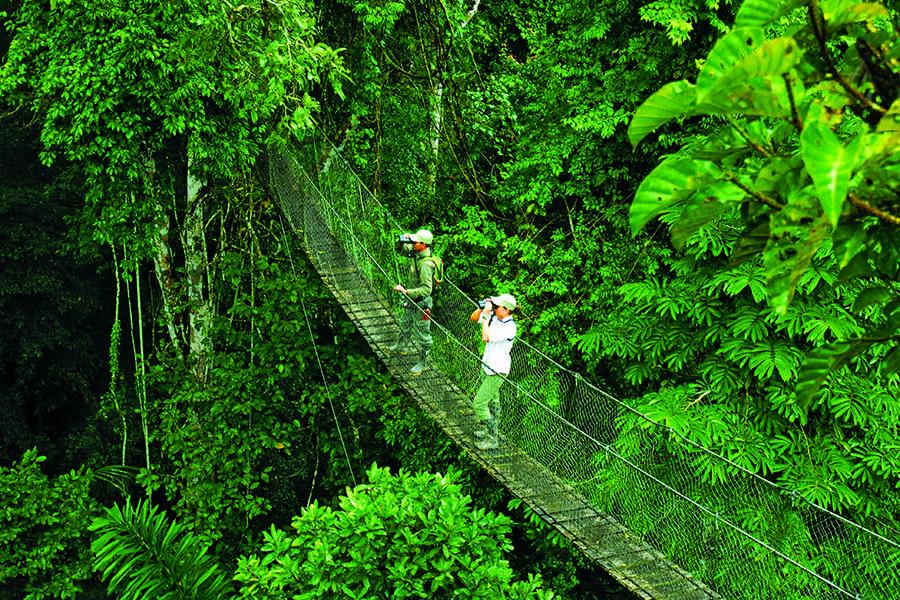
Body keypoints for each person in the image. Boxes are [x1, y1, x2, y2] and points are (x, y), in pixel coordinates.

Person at [468, 294, 517, 450]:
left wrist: (487, 316)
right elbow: (473, 318)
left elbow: (485, 337)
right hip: (487, 365)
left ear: (507, 310)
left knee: (479, 403)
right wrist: (483, 308)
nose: (496, 308)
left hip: (497, 370)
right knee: (493, 401)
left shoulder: (509, 327)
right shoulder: (496, 318)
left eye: (498, 306)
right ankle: (488, 431)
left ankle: (492, 436)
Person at [389, 229, 441, 375]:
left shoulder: (426, 264)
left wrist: (406, 292)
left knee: (423, 334)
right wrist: (402, 240)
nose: (412, 243)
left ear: (423, 245)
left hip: (422, 303)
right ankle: (401, 346)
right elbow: (399, 250)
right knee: (405, 322)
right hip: (411, 300)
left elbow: (426, 290)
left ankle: (423, 362)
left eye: (415, 241)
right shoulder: (415, 253)